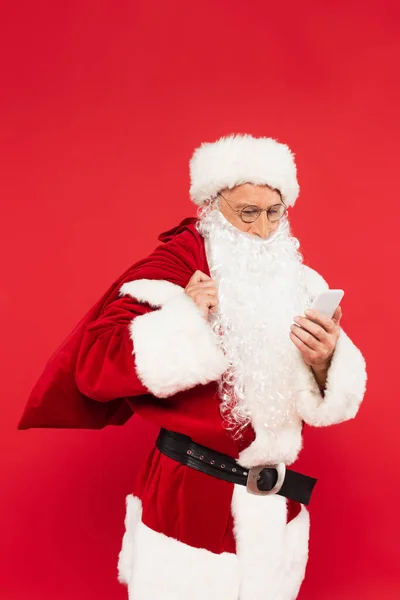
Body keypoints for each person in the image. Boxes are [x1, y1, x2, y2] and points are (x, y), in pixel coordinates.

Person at [18, 134, 367, 600]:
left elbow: (329, 400)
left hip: (272, 509)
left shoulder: (299, 279)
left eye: (275, 212)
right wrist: (187, 317)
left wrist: (324, 361)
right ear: (212, 206)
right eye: (248, 212)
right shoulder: (174, 269)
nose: (263, 229)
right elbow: (95, 362)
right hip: (190, 501)